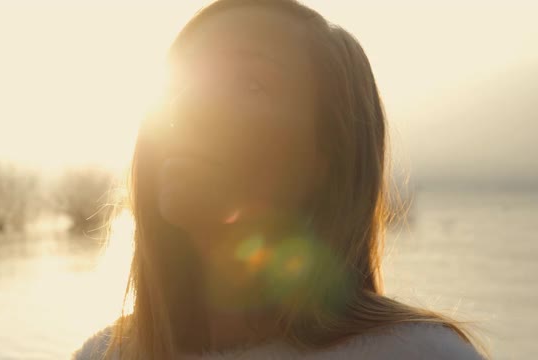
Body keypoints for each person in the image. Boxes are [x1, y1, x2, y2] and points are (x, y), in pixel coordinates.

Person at [74, 0, 486, 359]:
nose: (187, 105)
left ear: (327, 160)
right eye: (180, 83)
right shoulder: (105, 354)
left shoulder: (418, 356)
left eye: (250, 84)